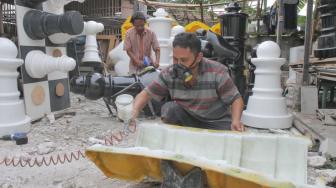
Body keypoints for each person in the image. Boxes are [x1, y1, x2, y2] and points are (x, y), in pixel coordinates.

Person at [130, 32, 244, 131]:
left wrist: (236, 121)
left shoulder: (217, 71)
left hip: (215, 121)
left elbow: (236, 99)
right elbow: (145, 94)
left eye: (183, 60)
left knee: (230, 130)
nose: (178, 64)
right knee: (170, 109)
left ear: (199, 57)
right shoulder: (169, 73)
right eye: (175, 59)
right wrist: (133, 113)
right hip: (188, 120)